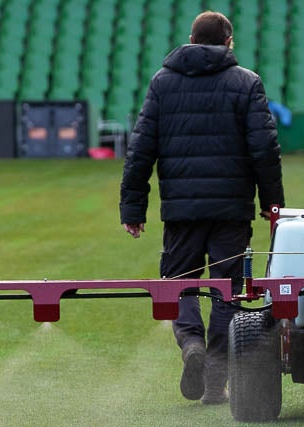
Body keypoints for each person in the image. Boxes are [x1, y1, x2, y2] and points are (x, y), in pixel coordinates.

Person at [120, 10, 285, 405]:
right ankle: (215, 373)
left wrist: (133, 207)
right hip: (231, 209)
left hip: (181, 210)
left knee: (179, 283)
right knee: (228, 290)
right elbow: (264, 148)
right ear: (228, 43)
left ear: (192, 41)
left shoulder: (162, 83)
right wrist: (273, 202)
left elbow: (141, 149)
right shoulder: (247, 83)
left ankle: (191, 342)